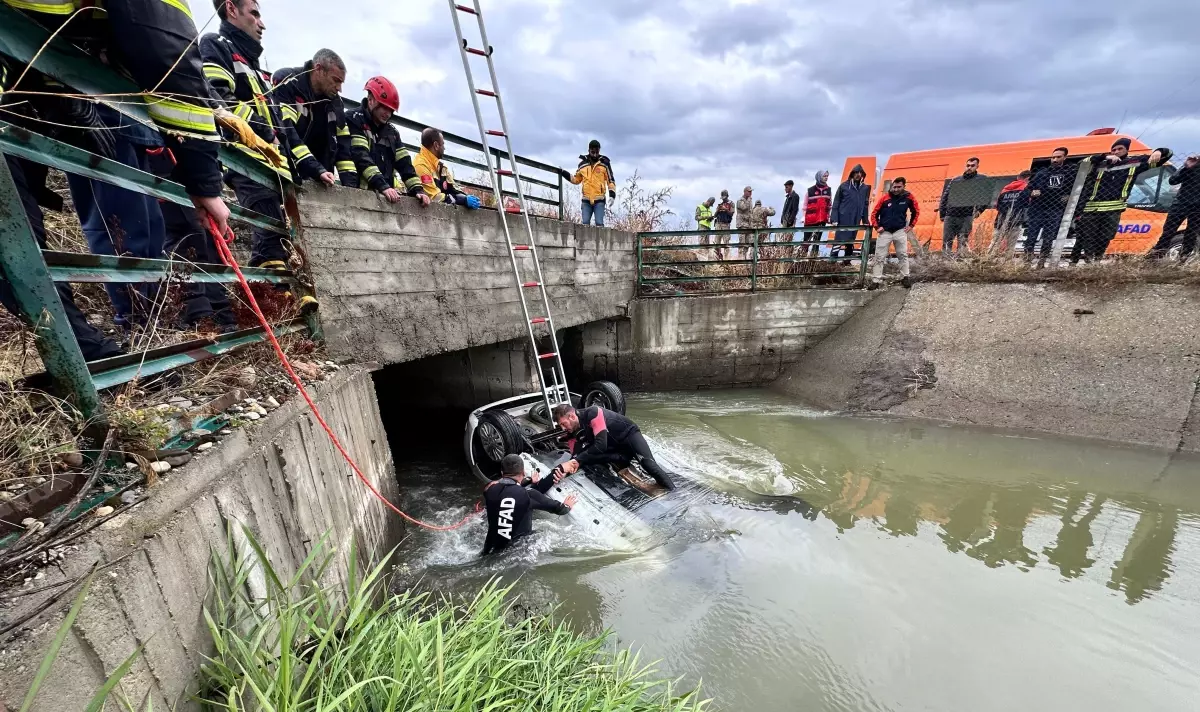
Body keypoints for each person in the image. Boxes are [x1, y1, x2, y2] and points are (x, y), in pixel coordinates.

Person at [0, 0, 238, 360]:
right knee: (27, 232)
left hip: (51, 84)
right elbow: (168, 56)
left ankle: (113, 348)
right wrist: (206, 185)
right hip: (72, 89)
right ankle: (117, 348)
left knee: (135, 230)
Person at [1070, 138, 1170, 264]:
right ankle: (1090, 262)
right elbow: (1081, 164)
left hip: (1114, 208)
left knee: (1105, 237)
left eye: (1120, 149)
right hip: (1091, 208)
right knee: (1088, 237)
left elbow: (1164, 157)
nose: (1116, 151)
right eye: (1114, 149)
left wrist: (1159, 151)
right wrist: (1103, 157)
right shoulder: (1100, 163)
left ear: (1127, 150)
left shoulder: (1135, 162)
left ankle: (1097, 259)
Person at [273, 49, 356, 197]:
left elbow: (343, 149)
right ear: (318, 69)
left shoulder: (336, 103)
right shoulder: (288, 82)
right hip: (286, 173)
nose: (339, 88)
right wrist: (317, 169)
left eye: (341, 82)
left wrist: (351, 190)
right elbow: (286, 131)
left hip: (321, 180)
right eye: (336, 80)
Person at [344, 76, 431, 206]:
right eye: (384, 107)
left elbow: (404, 164)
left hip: (385, 198)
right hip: (358, 196)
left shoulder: (392, 133)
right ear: (371, 100)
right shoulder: (354, 119)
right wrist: (383, 186)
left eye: (391, 110)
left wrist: (417, 189)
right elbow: (361, 157)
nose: (387, 113)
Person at [552, 404, 676, 491]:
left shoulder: (593, 412)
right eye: (560, 425)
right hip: (617, 449)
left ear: (572, 417)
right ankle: (623, 459)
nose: (563, 428)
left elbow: (601, 445)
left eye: (563, 424)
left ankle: (674, 492)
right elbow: (575, 456)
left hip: (629, 436)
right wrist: (566, 471)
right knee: (584, 459)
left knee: (649, 465)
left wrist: (577, 460)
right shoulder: (572, 432)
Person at [481, 454, 576, 556]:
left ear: (502, 472)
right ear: (522, 472)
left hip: (488, 550)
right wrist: (567, 505)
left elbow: (507, 488)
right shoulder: (528, 494)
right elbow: (560, 510)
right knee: (542, 534)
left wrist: (529, 481)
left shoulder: (490, 490)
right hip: (516, 552)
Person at [1022, 147, 1075, 267]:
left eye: (1058, 157)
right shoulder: (1042, 173)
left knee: (1048, 237)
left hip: (1055, 208)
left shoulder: (1069, 173)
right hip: (1037, 208)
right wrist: (1032, 192)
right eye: (1053, 157)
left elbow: (1075, 189)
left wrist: (1068, 196)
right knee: (1031, 235)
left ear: (1065, 157)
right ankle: (1027, 260)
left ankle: (1041, 261)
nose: (1055, 159)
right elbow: (1027, 189)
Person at [868, 177, 919, 290]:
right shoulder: (884, 198)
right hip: (885, 232)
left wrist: (911, 225)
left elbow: (916, 211)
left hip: (900, 231)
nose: (896, 189)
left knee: (902, 255)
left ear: (903, 186)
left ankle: (905, 277)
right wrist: (877, 227)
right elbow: (874, 213)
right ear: (892, 186)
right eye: (894, 187)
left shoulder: (909, 197)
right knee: (879, 257)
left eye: (898, 187)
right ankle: (876, 280)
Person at [1148, 154, 1200, 262]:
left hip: (1198, 208)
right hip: (1181, 204)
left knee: (1191, 235)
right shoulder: (1193, 163)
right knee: (1167, 233)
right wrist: (1186, 167)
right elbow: (1173, 180)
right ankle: (1154, 259)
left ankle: (1183, 261)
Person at [413, 128, 482, 209]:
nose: (444, 148)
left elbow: (454, 188)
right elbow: (434, 197)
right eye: (443, 144)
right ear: (436, 145)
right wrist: (462, 200)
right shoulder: (421, 165)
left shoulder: (441, 167)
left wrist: (466, 197)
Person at [938, 157, 989, 254]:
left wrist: (979, 211)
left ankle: (959, 262)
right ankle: (946, 262)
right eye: (968, 165)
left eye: (972, 165)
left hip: (967, 215)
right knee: (946, 241)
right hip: (951, 214)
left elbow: (986, 196)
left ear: (977, 166)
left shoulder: (981, 180)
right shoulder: (956, 180)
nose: (969, 167)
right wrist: (942, 214)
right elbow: (945, 196)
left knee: (962, 241)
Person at [564, 140, 615, 227]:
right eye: (593, 152)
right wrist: (563, 173)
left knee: (599, 224)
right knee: (585, 225)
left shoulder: (604, 164)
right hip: (586, 200)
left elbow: (610, 181)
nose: (595, 154)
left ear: (599, 151)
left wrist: (612, 195)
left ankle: (600, 240)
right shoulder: (582, 165)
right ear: (589, 150)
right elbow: (576, 180)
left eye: (597, 152)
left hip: (599, 200)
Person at [831, 165, 871, 260]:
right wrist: (834, 218)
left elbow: (865, 205)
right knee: (838, 240)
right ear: (852, 173)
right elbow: (836, 202)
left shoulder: (865, 188)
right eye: (856, 172)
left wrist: (865, 220)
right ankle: (832, 260)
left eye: (860, 173)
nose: (858, 175)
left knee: (851, 240)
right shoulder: (844, 186)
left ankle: (847, 261)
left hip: (856, 218)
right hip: (843, 218)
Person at [993, 170, 1031, 253]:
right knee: (1010, 246)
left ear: (1018, 177)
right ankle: (1007, 262)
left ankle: (988, 261)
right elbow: (1028, 204)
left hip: (1000, 220)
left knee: (994, 244)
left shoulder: (1005, 189)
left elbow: (997, 206)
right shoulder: (1027, 188)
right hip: (1015, 221)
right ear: (1028, 178)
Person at [803, 170, 833, 257]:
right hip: (810, 219)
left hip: (821, 219)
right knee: (806, 240)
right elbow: (805, 205)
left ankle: (813, 259)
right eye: (824, 176)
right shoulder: (810, 190)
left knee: (817, 241)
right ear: (819, 177)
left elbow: (829, 205)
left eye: (827, 176)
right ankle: (802, 259)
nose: (826, 178)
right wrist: (803, 216)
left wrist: (829, 216)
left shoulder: (828, 190)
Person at [714, 190, 735, 257]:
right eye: (722, 198)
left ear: (727, 196)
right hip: (718, 224)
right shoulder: (720, 204)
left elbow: (731, 214)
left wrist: (725, 209)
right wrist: (718, 210)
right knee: (717, 242)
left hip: (726, 225)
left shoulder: (731, 203)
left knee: (726, 242)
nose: (723, 199)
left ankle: (727, 258)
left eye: (724, 197)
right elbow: (715, 215)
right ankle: (717, 257)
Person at [735, 185, 755, 257]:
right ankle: (740, 258)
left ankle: (745, 257)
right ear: (745, 192)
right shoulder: (740, 201)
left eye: (751, 191)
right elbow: (743, 208)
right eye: (749, 192)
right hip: (742, 225)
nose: (750, 193)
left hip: (748, 225)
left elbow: (750, 212)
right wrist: (748, 201)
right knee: (742, 242)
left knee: (747, 243)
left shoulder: (750, 201)